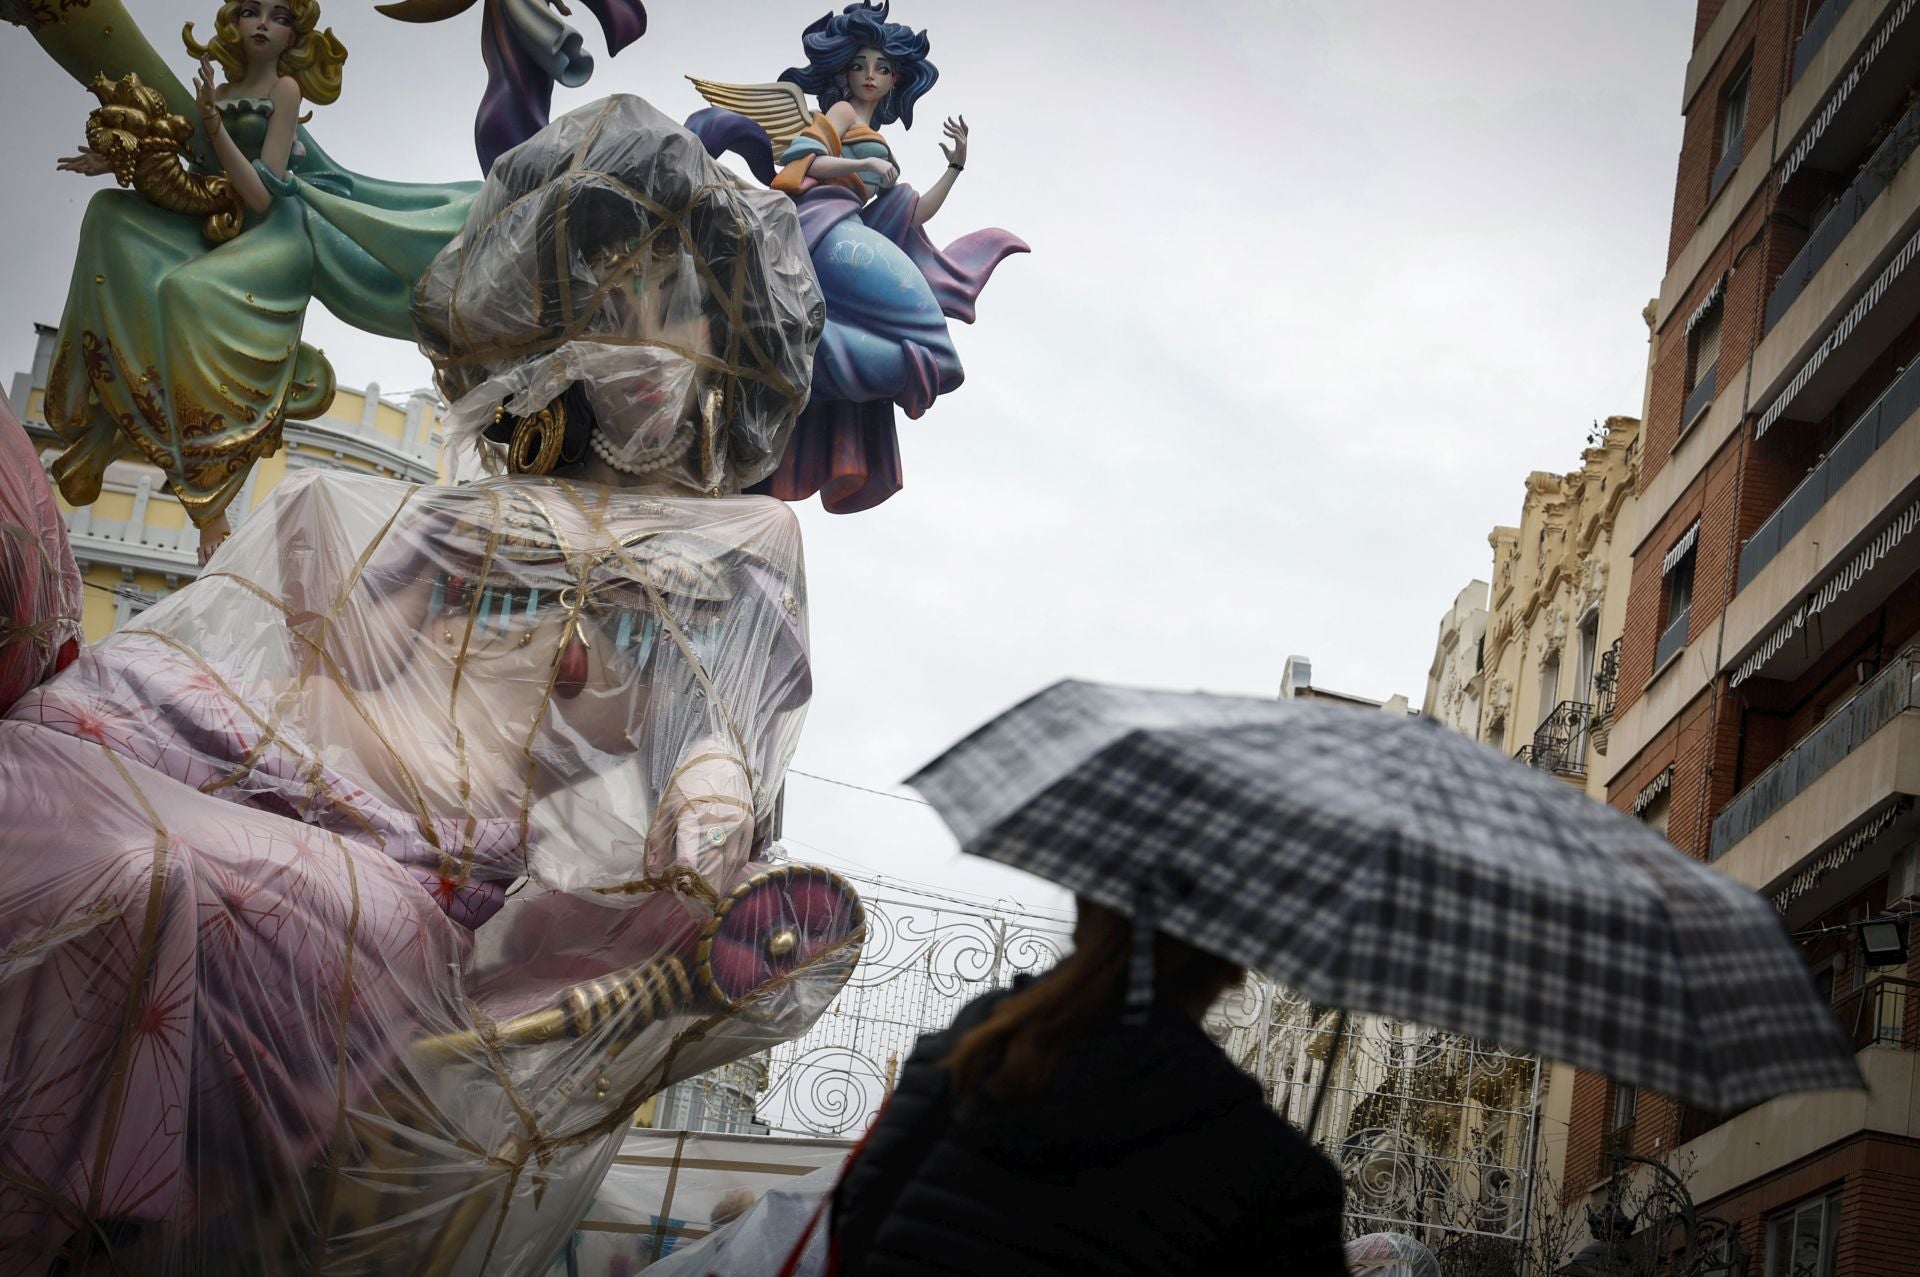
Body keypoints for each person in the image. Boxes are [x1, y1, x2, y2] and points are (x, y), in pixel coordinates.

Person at [0, 95, 835, 1276]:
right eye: (610, 299)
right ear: (549, 323)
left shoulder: (739, 538)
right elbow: (350, 646)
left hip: (444, 869)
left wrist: (705, 789)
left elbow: (719, 710)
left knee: (168, 881)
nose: (645, 335)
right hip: (295, 767)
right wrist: (314, 578)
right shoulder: (463, 511)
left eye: (678, 301)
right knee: (45, 799)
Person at [37, 0, 479, 563]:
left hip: (276, 234)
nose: (263, 23)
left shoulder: (284, 92)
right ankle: (108, 412)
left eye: (279, 15)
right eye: (250, 11)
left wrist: (216, 131)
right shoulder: (215, 97)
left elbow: (265, 191)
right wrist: (125, 159)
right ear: (232, 24)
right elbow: (194, 176)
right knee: (108, 215)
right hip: (220, 223)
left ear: (295, 34)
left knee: (185, 294)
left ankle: (210, 502)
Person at [830, 898, 1351, 1275]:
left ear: (1085, 915)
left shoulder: (971, 1048)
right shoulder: (1278, 1174)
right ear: (1236, 965)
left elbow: (855, 1226)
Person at [688, 1, 1027, 513]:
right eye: (861, 64)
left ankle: (799, 348)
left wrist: (955, 169)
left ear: (897, 80)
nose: (870, 75)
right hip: (824, 231)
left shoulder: (878, 135)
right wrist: (862, 160)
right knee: (939, 359)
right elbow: (797, 168)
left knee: (940, 359)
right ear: (844, 70)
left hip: (852, 231)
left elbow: (913, 217)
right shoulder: (840, 115)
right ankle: (797, 350)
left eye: (883, 68)